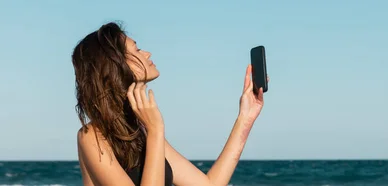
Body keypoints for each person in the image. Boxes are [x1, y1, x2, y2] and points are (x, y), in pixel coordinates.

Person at [72, 22, 266, 186]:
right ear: (114, 66)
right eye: (137, 50)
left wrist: (245, 118)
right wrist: (156, 129)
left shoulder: (141, 131)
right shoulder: (92, 138)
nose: (147, 54)